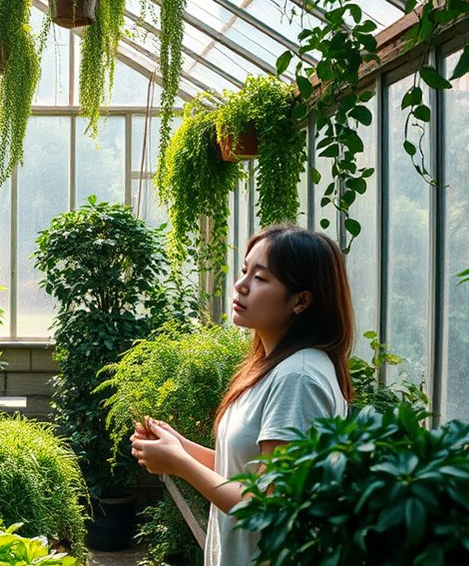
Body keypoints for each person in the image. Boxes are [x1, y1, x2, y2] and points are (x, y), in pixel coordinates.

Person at [130, 224, 354, 566]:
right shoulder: (275, 367)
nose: (241, 285)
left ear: (301, 300)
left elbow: (267, 503)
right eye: (245, 270)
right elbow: (246, 470)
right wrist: (180, 447)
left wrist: (181, 464)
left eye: (261, 278)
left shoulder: (299, 378)